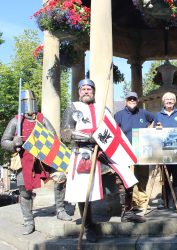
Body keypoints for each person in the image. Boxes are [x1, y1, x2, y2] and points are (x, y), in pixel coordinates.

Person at [61, 80, 146, 242]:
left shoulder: (103, 109)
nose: (86, 91)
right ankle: (88, 225)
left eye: (89, 89)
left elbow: (113, 130)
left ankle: (127, 212)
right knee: (82, 189)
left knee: (125, 176)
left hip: (104, 150)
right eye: (83, 89)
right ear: (79, 91)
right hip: (83, 152)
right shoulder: (73, 108)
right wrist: (87, 137)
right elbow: (65, 133)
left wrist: (101, 139)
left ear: (93, 91)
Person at [1, 90, 71, 235]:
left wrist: (45, 139)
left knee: (60, 177)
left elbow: (53, 137)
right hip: (24, 159)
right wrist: (14, 142)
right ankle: (28, 221)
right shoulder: (16, 121)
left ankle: (60, 209)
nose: (29, 105)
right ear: (22, 104)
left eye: (31, 101)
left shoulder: (42, 119)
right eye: (26, 102)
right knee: (24, 190)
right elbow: (4, 142)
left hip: (43, 158)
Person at [114, 91, 155, 218]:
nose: (132, 101)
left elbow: (156, 119)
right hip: (124, 152)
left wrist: (150, 129)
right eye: (130, 99)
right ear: (126, 101)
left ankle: (142, 202)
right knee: (127, 178)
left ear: (137, 101)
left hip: (141, 151)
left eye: (134, 99)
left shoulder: (143, 113)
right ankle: (129, 203)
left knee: (142, 177)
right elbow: (114, 132)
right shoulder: (119, 115)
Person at [154, 92, 177, 209]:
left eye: (171, 99)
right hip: (163, 152)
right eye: (167, 99)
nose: (169, 101)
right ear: (163, 101)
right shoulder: (158, 115)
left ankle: (176, 200)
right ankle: (165, 200)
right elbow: (154, 133)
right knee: (165, 177)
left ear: (175, 101)